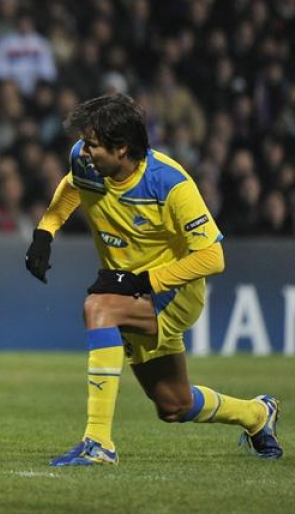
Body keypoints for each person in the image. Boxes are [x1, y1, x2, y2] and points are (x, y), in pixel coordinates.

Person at [24, 93, 282, 466]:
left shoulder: (171, 185)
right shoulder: (86, 159)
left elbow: (213, 256)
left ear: (122, 149)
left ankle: (98, 443)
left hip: (173, 292)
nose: (85, 151)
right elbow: (72, 185)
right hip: (127, 287)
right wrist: (46, 230)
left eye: (95, 145)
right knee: (173, 404)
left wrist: (146, 280)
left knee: (98, 309)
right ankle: (258, 415)